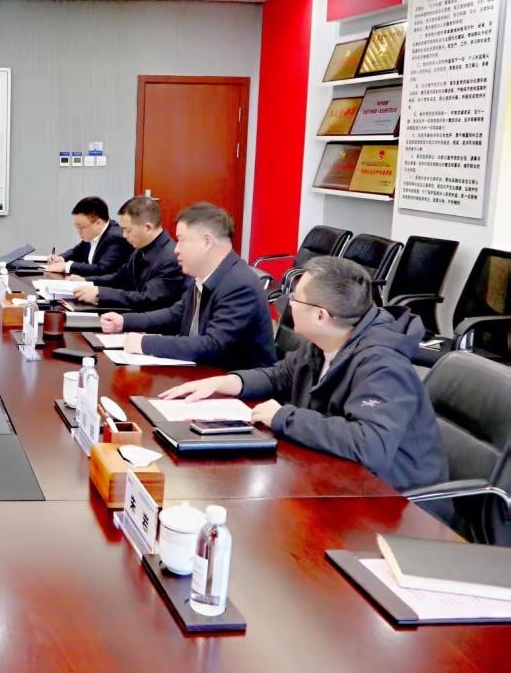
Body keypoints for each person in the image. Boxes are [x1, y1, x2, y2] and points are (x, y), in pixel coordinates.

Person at [159, 256, 447, 491]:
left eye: (295, 299)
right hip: (336, 475)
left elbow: (369, 444)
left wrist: (284, 417)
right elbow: (280, 375)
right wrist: (225, 382)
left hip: (394, 499)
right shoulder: (326, 340)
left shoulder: (384, 364)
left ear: (321, 316)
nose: (288, 305)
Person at [98, 203, 275, 369]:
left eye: (181, 240)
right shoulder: (206, 275)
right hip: (203, 372)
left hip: (234, 383)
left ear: (207, 242)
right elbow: (176, 314)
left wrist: (144, 343)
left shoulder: (239, 284)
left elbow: (213, 345)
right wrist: (124, 322)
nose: (176, 249)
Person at [71, 195, 186, 311]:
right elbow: (120, 278)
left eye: (128, 230)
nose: (124, 235)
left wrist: (100, 294)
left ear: (147, 228)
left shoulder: (170, 259)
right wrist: (86, 281)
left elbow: (147, 299)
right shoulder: (140, 249)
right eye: (123, 230)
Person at [45, 196, 132, 277]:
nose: (78, 231)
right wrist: (61, 258)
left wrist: (67, 266)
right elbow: (78, 251)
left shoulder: (116, 238)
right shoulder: (93, 235)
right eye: (77, 226)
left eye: (81, 227)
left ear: (98, 223)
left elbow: (103, 269)